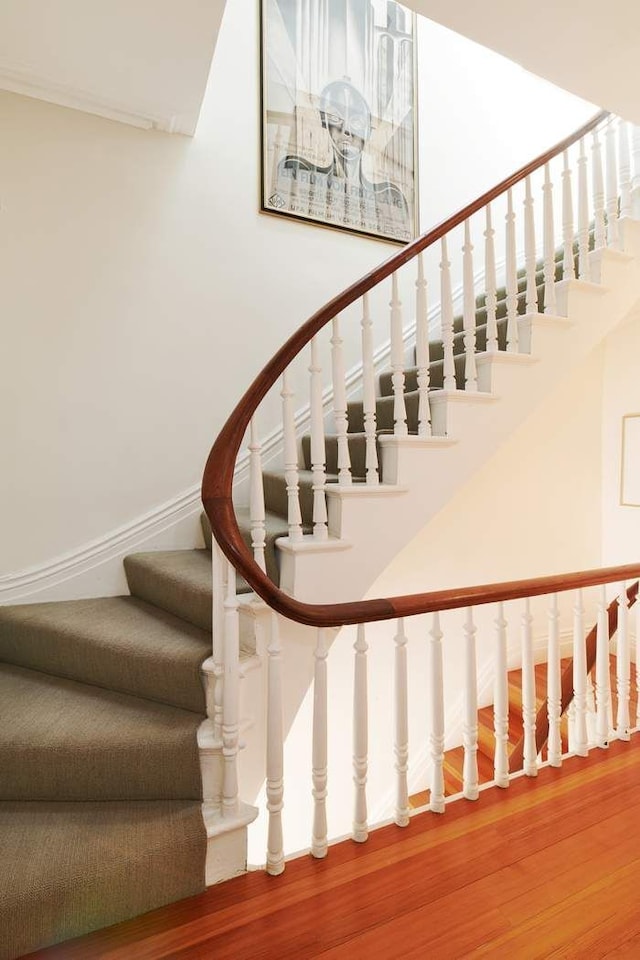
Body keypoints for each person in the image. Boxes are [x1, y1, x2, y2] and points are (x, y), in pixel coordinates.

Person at [275, 80, 410, 239]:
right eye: (336, 117)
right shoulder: (295, 169)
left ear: (367, 132)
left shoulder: (391, 195)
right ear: (324, 123)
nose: (346, 130)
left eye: (356, 121)